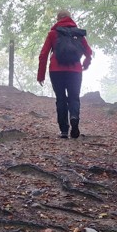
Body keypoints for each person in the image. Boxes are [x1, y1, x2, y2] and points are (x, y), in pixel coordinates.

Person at [37, 9, 92, 138]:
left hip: (56, 71)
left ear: (58, 19)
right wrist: (85, 64)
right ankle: (74, 117)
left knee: (61, 99)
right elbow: (89, 52)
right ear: (70, 18)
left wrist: (41, 75)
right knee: (74, 97)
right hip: (75, 71)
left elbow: (43, 55)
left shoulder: (53, 34)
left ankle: (64, 130)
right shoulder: (78, 35)